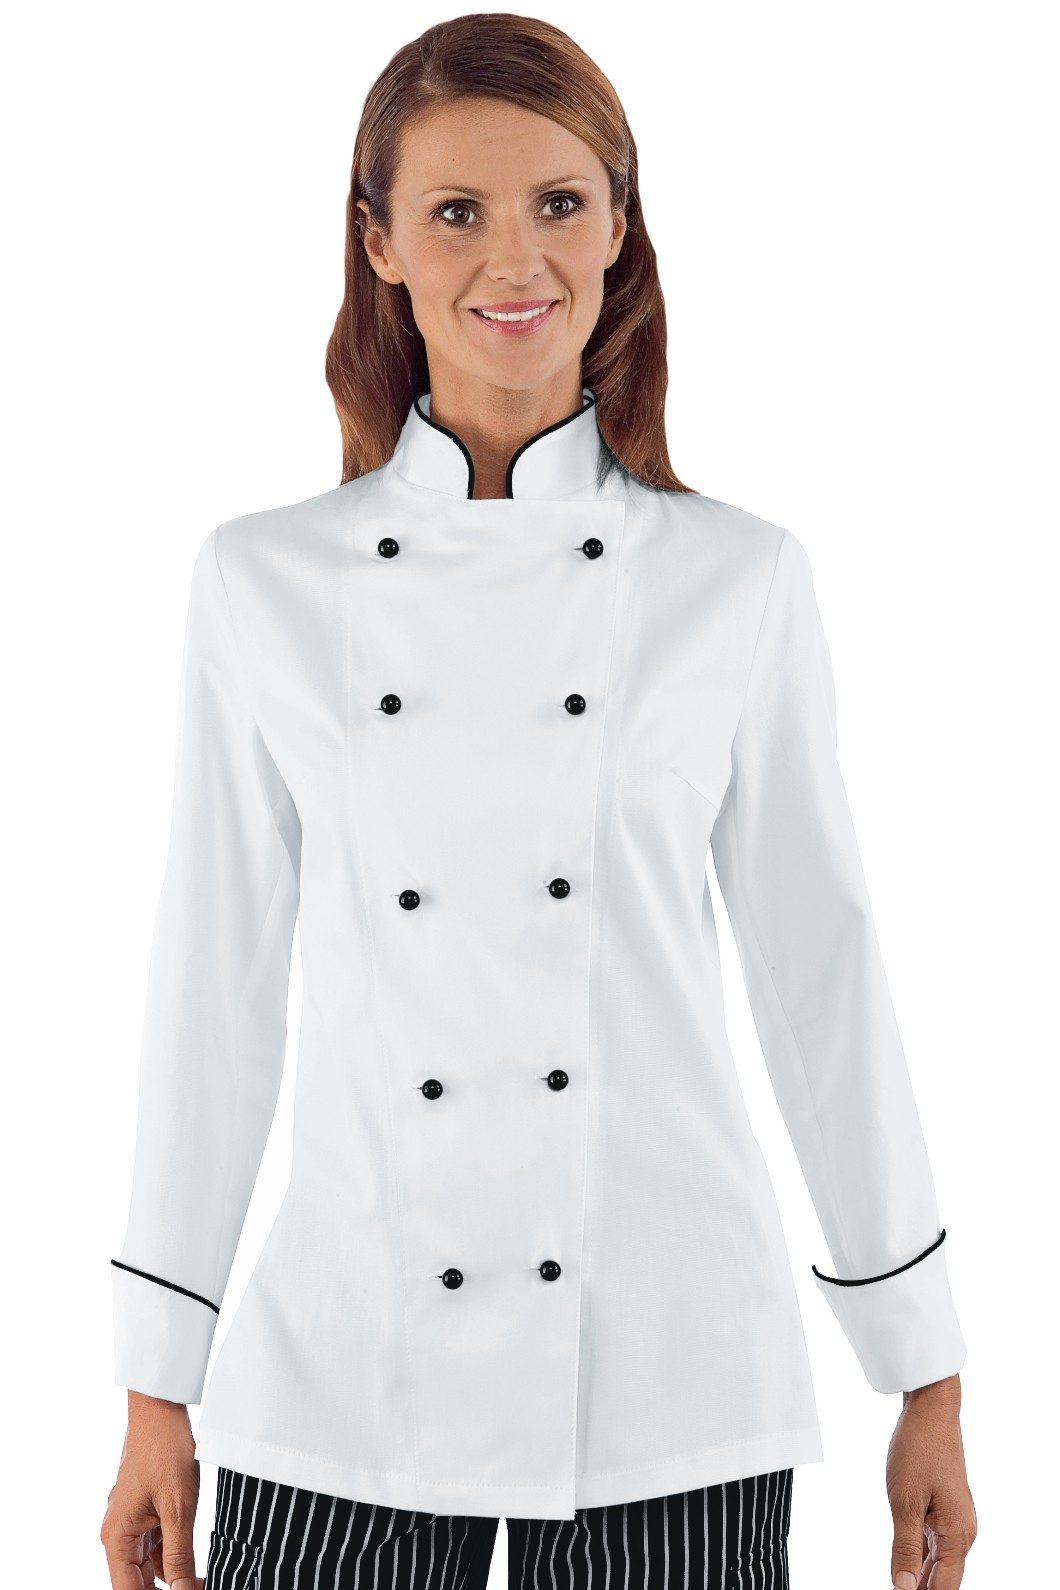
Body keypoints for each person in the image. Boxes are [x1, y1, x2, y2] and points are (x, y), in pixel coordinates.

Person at [100, 14, 977, 1590]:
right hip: (344, 1373)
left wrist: (923, 1369)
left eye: (562, 203)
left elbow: (821, 981)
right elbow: (210, 997)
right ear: (378, 242)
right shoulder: (262, 582)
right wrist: (156, 1376)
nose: (517, 258)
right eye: (457, 211)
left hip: (670, 1380)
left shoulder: (737, 580)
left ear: (620, 225)